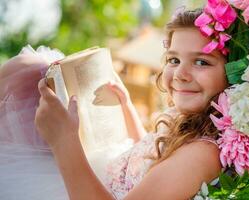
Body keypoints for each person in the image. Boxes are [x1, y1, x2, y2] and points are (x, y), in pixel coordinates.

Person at [1, 8, 229, 200]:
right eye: (174, 60)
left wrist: (63, 140)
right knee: (30, 71)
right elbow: (152, 160)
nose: (180, 74)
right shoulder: (189, 121)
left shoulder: (203, 153)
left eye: (201, 62)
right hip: (105, 172)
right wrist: (126, 105)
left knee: (25, 72)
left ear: (233, 72)